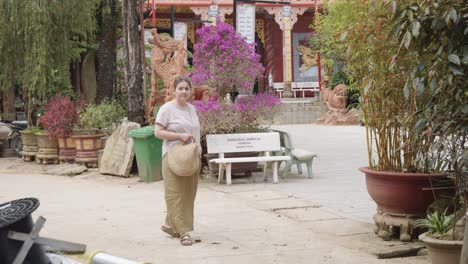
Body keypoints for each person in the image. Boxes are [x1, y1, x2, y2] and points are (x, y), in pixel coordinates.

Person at [154, 76, 201, 246]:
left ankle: (170, 224)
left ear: (190, 91)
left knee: (188, 195)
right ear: (174, 91)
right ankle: (184, 232)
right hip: (172, 155)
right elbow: (157, 132)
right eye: (180, 88)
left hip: (190, 156)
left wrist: (198, 152)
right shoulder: (166, 109)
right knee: (175, 194)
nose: (183, 91)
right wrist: (179, 136)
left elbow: (196, 133)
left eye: (186, 88)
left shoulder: (192, 109)